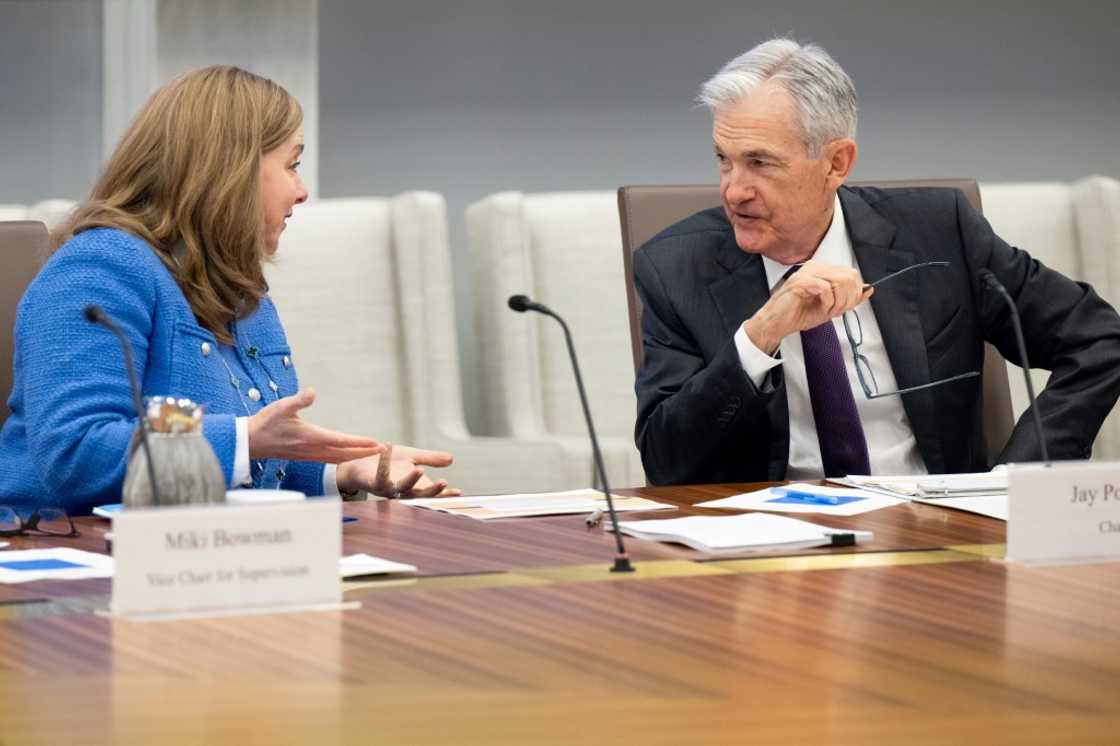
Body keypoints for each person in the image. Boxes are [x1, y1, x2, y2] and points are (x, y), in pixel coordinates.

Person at [633, 38, 1120, 485]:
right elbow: (664, 459)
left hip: (938, 535)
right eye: (724, 159)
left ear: (836, 163)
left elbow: (1097, 338)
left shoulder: (940, 232)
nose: (733, 189)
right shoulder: (675, 269)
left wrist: (1018, 481)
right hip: (775, 551)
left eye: (759, 163)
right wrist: (759, 337)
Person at [0, 65, 459, 515]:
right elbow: (81, 450)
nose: (302, 191)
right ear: (231, 170)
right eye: (292, 165)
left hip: (210, 552)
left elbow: (244, 460)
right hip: (66, 565)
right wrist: (244, 437)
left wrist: (339, 474)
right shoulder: (98, 269)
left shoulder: (239, 291)